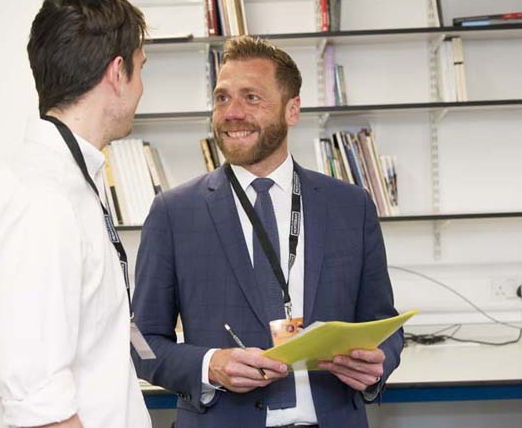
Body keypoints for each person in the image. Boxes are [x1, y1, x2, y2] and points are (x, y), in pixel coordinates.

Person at [131, 35, 403, 428]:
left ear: (292, 110)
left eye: (251, 98)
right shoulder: (174, 212)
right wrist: (209, 366)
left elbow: (383, 323)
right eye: (222, 97)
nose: (232, 113)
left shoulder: (351, 206)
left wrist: (377, 366)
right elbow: (141, 342)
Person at [0, 0, 151, 428]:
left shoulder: (63, 182)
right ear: (117, 73)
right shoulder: (43, 201)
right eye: (141, 69)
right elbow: (40, 404)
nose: (142, 89)